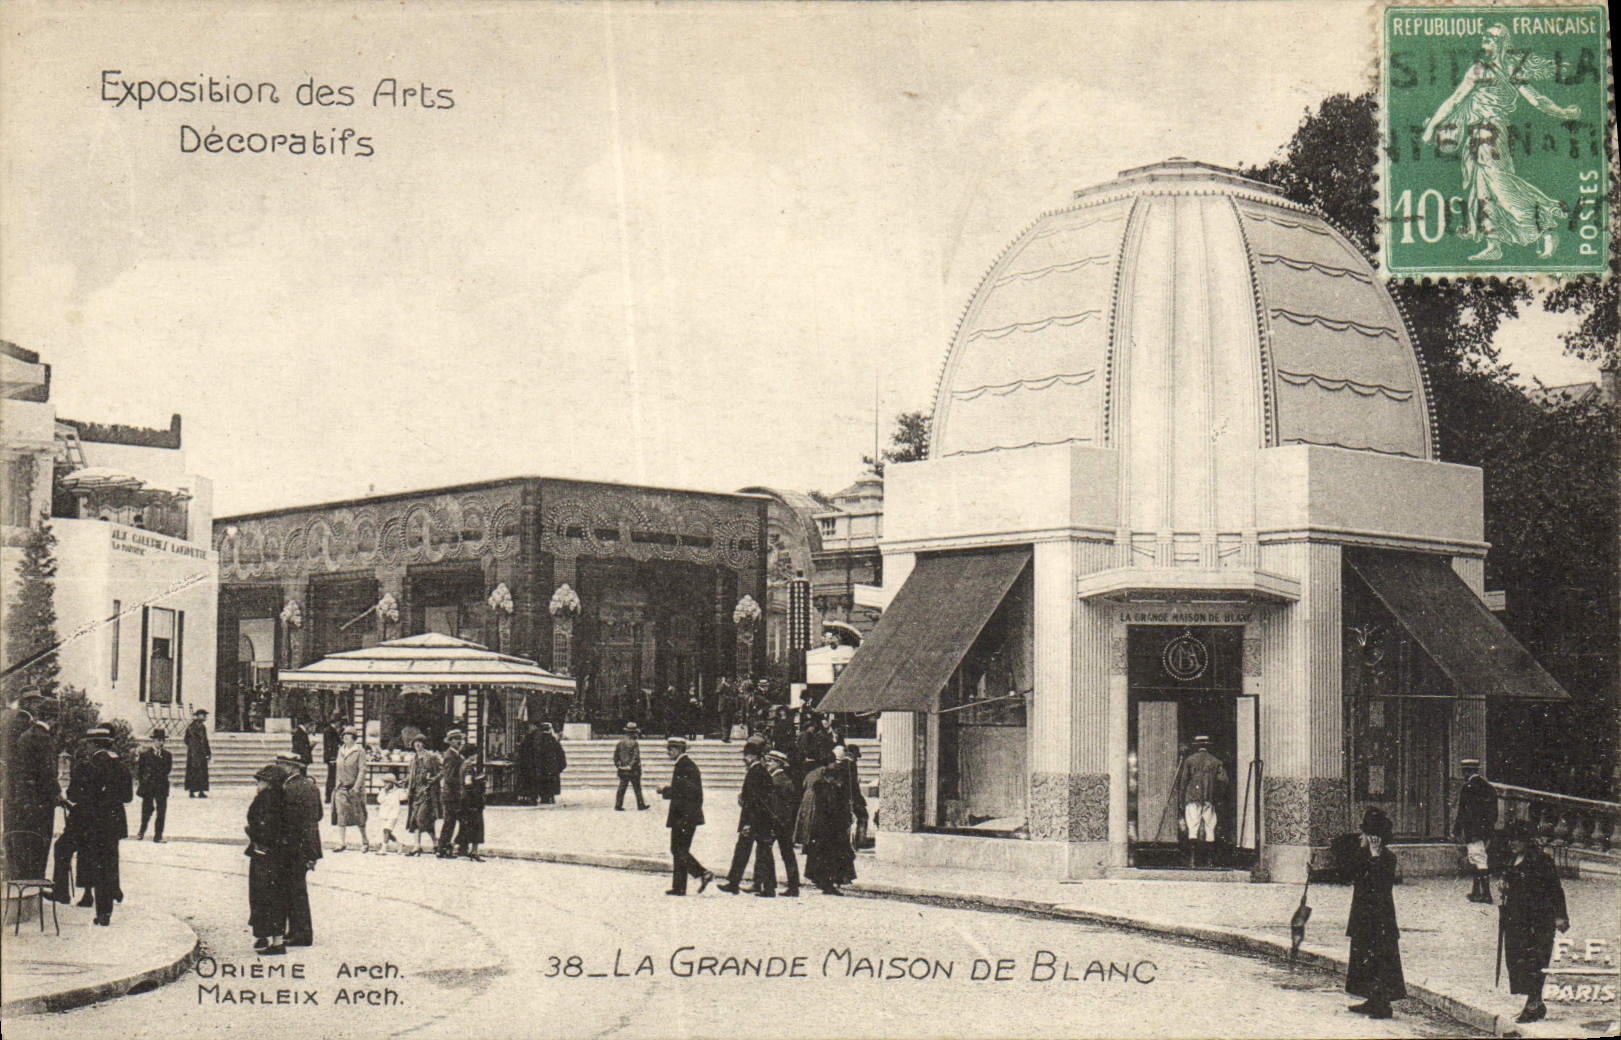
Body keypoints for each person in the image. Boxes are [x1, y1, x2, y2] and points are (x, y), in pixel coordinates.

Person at [1420, 24, 1583, 261]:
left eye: (1492, 37)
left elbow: (1536, 99)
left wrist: (1562, 112)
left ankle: (1546, 227)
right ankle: (1493, 244)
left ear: (1503, 43)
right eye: (1485, 35)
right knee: (1482, 190)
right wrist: (1431, 127)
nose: (1486, 39)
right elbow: (1454, 100)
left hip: (1493, 132)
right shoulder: (1477, 70)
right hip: (1476, 134)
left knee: (1500, 185)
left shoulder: (1511, 69)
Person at [1498, 820, 1569, 1024]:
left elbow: (1555, 889)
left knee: (1535, 960)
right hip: (1516, 918)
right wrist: (1503, 884)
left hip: (1539, 919)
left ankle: (1533, 1004)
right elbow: (1511, 883)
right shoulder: (1511, 859)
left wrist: (1560, 916)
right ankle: (1535, 1003)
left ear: (1527, 840)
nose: (1512, 843)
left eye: (1517, 839)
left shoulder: (1541, 860)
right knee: (1517, 959)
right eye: (1510, 839)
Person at [62, 727, 133, 925]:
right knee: (109, 865)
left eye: (88, 744)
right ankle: (105, 912)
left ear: (93, 745)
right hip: (113, 823)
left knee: (94, 864)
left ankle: (97, 908)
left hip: (91, 823)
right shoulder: (120, 767)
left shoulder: (85, 767)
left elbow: (73, 795)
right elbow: (128, 797)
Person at [1344, 807, 1406, 1020]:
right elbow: (1346, 873)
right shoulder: (1360, 856)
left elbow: (1381, 884)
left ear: (1374, 838)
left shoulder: (1387, 858)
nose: (1360, 837)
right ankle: (1371, 999)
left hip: (1380, 919)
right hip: (1362, 917)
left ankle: (1383, 1005)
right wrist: (1314, 873)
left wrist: (1375, 856)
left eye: (1365, 834)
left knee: (1380, 960)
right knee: (1364, 958)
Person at [4, 699, 59, 880]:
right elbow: (47, 773)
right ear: (53, 718)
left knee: (26, 845)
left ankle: (26, 884)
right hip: (41, 802)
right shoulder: (44, 738)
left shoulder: (27, 735)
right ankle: (36, 883)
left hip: (26, 801)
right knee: (40, 844)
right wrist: (57, 794)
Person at [717, 737, 777, 897]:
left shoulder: (755, 773)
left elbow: (754, 801)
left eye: (746, 755)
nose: (744, 759)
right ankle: (767, 887)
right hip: (761, 820)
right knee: (762, 853)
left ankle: (734, 883)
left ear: (752, 756)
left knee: (745, 852)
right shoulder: (761, 771)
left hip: (754, 820)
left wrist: (748, 823)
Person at [276, 753, 323, 947]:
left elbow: (284, 819)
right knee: (298, 889)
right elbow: (319, 814)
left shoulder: (287, 788)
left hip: (293, 846)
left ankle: (300, 933)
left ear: (292, 768)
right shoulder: (311, 786)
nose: (279, 768)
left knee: (292, 891)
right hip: (308, 844)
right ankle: (298, 931)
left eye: (282, 765)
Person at [658, 736, 714, 895]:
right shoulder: (685, 765)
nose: (668, 752)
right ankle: (679, 887)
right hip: (686, 815)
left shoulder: (684, 766)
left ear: (678, 750)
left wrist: (665, 790)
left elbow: (684, 791)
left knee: (678, 849)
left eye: (670, 749)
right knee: (680, 849)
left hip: (684, 816)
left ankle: (702, 873)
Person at [245, 764, 289, 954]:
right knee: (277, 896)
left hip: (264, 855)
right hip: (280, 855)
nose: (258, 785)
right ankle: (272, 938)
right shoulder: (284, 799)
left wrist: (252, 834)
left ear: (269, 783)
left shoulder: (265, 800)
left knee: (261, 896)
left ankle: (270, 940)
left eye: (260, 781)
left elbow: (263, 828)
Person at [803, 748, 857, 895]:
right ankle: (828, 883)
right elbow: (833, 809)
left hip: (820, 826)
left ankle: (822, 880)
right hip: (830, 828)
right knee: (830, 855)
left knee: (821, 855)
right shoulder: (829, 789)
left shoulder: (818, 783)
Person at [1173, 735, 1228, 868]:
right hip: (1209, 798)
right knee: (1210, 826)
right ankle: (1209, 861)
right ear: (1208, 746)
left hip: (1192, 797)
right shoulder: (1216, 761)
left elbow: (1183, 782)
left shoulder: (1189, 760)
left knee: (1193, 826)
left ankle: (1192, 861)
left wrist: (1181, 800)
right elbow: (1224, 781)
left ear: (1196, 746)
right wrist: (1218, 797)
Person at [1452, 758, 1498, 903]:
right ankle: (1477, 891)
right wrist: (1488, 828)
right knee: (1478, 858)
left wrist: (1457, 830)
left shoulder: (1468, 788)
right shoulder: (1489, 787)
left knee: (1478, 859)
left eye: (1464, 771)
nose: (1463, 775)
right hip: (1486, 831)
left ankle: (1486, 894)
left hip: (1473, 830)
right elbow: (1494, 813)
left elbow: (1463, 812)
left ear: (1467, 772)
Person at [764, 750, 801, 897]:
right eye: (767, 760)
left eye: (771, 761)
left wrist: (777, 822)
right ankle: (792, 886)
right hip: (781, 822)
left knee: (770, 851)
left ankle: (770, 886)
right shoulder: (777, 778)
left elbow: (785, 805)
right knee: (786, 853)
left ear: (779, 763)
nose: (768, 763)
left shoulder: (780, 780)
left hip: (779, 823)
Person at [330, 727, 371, 852]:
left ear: (354, 738)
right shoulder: (341, 750)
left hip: (354, 789)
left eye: (348, 735)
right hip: (341, 788)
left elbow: (362, 770)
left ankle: (365, 841)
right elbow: (338, 768)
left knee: (359, 815)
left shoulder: (359, 751)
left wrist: (357, 787)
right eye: (344, 736)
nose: (345, 738)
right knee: (341, 815)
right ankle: (341, 842)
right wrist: (337, 784)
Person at [404, 734, 441, 856]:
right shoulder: (413, 759)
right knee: (415, 819)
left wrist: (434, 779)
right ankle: (419, 845)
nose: (417, 745)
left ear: (424, 744)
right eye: (415, 742)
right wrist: (406, 781)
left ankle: (434, 843)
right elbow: (412, 775)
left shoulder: (431, 757)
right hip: (415, 793)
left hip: (427, 793)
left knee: (421, 817)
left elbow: (441, 771)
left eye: (420, 742)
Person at [135, 728, 173, 842]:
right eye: (158, 740)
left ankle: (158, 836)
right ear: (154, 740)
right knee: (146, 811)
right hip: (149, 787)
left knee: (161, 812)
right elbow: (140, 772)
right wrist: (143, 783)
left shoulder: (167, 755)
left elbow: (167, 770)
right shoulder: (145, 755)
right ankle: (142, 830)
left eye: (163, 740)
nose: (161, 743)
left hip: (161, 786)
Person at [436, 730, 467, 858]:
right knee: (450, 822)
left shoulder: (457, 755)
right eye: (455, 739)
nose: (459, 741)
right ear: (450, 741)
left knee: (457, 821)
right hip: (451, 794)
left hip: (455, 794)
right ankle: (443, 848)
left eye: (460, 739)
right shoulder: (450, 755)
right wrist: (462, 783)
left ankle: (450, 846)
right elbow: (449, 777)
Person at [456, 753, 487, 861]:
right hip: (472, 800)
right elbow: (468, 782)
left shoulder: (463, 765)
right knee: (476, 824)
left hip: (465, 799)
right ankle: (473, 851)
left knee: (467, 824)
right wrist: (479, 780)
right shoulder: (469, 766)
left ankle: (465, 849)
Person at [614, 722, 649, 811]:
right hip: (634, 770)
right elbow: (635, 756)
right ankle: (640, 805)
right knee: (637, 788)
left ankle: (618, 805)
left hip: (623, 769)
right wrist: (631, 765)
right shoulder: (635, 743)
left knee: (622, 788)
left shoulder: (620, 743)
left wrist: (618, 765)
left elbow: (615, 756)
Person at [535, 722, 567, 805]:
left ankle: (544, 797)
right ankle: (550, 797)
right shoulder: (554, 742)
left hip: (541, 769)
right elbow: (561, 756)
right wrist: (559, 768)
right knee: (551, 786)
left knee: (543, 785)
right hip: (552, 769)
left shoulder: (537, 742)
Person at [375, 775, 407, 854]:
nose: (385, 784)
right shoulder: (383, 791)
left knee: (386, 830)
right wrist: (384, 792)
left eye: (387, 782)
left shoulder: (398, 791)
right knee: (387, 832)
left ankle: (383, 849)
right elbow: (379, 800)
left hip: (393, 814)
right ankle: (399, 844)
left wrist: (402, 789)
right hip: (384, 814)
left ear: (392, 783)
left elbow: (404, 798)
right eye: (385, 782)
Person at [846, 743, 870, 849]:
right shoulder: (850, 765)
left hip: (851, 797)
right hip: (853, 797)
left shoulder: (844, 764)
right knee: (863, 816)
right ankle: (860, 840)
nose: (856, 759)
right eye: (855, 756)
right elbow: (852, 784)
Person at [183, 708, 211, 797]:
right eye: (203, 715)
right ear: (198, 716)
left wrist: (208, 752)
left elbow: (205, 740)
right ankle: (191, 791)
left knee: (202, 772)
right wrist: (193, 748)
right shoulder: (191, 727)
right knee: (193, 772)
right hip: (194, 753)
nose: (205, 717)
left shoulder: (203, 727)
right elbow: (186, 740)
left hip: (202, 753)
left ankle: (201, 791)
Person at [513, 723, 542, 806]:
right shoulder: (536, 736)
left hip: (529, 764)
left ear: (534, 726)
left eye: (530, 726)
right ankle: (531, 798)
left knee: (528, 781)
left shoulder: (531, 737)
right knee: (531, 782)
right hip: (532, 764)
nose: (529, 728)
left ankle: (529, 798)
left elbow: (526, 750)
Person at [321, 715, 342, 802]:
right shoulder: (330, 731)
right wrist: (333, 757)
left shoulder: (330, 730)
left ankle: (329, 796)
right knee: (331, 777)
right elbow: (330, 745)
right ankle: (329, 796)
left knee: (332, 777)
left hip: (330, 757)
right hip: (331, 757)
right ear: (336, 722)